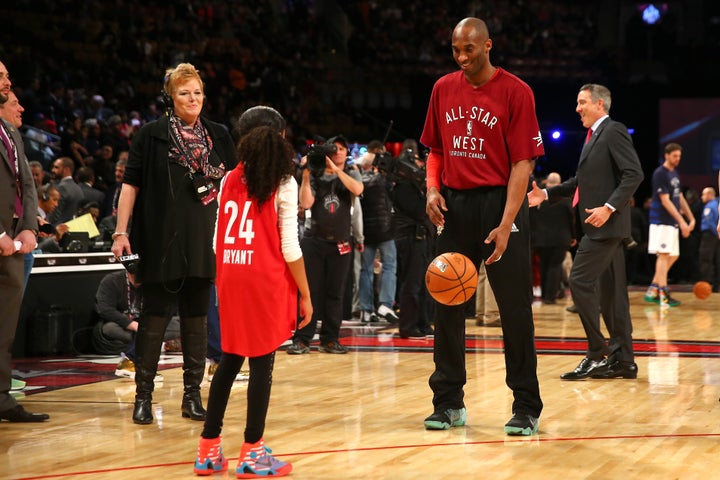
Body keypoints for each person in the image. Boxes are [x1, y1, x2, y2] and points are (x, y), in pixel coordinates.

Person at [421, 18, 543, 436]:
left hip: (499, 204)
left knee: (514, 310)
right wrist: (432, 190)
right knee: (447, 301)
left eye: (468, 49)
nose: (461, 57)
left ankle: (526, 405)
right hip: (455, 206)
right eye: (455, 50)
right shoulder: (442, 88)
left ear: (487, 45)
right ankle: (448, 402)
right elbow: (435, 149)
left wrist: (507, 223)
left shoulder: (516, 92)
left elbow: (523, 163)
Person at [111, 63, 237, 425]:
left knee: (197, 320)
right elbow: (131, 185)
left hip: (206, 241)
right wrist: (121, 232)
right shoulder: (151, 135)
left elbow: (233, 186)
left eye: (197, 92)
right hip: (160, 239)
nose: (193, 98)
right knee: (155, 319)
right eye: (184, 92)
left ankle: (192, 397)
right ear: (171, 97)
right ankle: (143, 397)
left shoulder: (219, 134)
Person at [193, 106, 312, 477]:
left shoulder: (229, 177)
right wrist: (306, 294)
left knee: (229, 359)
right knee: (263, 363)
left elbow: (216, 241)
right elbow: (290, 247)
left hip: (229, 275)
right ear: (277, 137)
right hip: (263, 278)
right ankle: (251, 451)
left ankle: (208, 450)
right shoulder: (283, 181)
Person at [528, 83, 644, 381]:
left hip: (605, 226)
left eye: (582, 102)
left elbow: (634, 173)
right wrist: (547, 194)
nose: (577, 108)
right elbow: (580, 181)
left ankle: (597, 353)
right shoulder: (594, 137)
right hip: (601, 228)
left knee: (579, 281)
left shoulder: (613, 130)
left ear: (599, 105)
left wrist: (609, 207)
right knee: (613, 298)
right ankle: (624, 360)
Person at [0, 59, 49, 422]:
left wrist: (28, 226)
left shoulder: (12, 134)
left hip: (14, 244)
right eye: (1, 76)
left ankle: (2, 399)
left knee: (5, 327)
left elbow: (26, 185)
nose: (8, 81)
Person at [286, 134, 363, 354]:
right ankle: (302, 338)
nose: (338, 152)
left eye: (342, 149)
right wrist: (307, 174)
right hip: (315, 241)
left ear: (347, 153)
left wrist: (336, 170)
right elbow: (306, 202)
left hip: (340, 243)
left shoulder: (350, 174)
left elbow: (358, 190)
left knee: (335, 293)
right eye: (334, 149)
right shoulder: (316, 175)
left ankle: (330, 339)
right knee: (309, 291)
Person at [390, 148, 435, 339]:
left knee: (423, 284)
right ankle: (408, 326)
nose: (419, 167)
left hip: (420, 237)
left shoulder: (412, 186)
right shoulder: (402, 188)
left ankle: (423, 323)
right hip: (409, 238)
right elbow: (420, 211)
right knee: (412, 283)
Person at [644, 143, 694, 307]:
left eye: (679, 156)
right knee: (664, 255)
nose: (677, 159)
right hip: (661, 220)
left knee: (673, 255)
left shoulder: (674, 174)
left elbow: (679, 197)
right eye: (674, 156)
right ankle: (663, 293)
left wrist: (691, 218)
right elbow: (665, 201)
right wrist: (682, 222)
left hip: (671, 222)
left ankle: (653, 288)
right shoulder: (660, 173)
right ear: (666, 155)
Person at [357, 140, 399, 324]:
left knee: (365, 270)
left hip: (366, 231)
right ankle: (386, 304)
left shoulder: (357, 181)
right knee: (390, 266)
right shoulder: (384, 179)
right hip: (385, 230)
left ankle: (366, 310)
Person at [530, 172, 575, 304]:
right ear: (560, 183)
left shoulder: (539, 198)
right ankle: (550, 297)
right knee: (555, 266)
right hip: (560, 238)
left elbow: (532, 217)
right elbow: (571, 219)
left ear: (547, 182)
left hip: (540, 238)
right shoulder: (565, 199)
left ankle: (544, 295)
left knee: (543, 265)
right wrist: (573, 236)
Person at [48, 156, 83, 225]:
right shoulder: (78, 189)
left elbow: (55, 213)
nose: (53, 170)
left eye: (56, 167)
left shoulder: (61, 187)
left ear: (66, 170)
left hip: (56, 230)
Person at [698, 186, 719, 291]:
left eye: (703, 194)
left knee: (705, 259)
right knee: (717, 259)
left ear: (710, 195)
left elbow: (709, 222)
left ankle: (706, 284)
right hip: (716, 235)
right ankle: (717, 285)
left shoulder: (709, 206)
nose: (702, 197)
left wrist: (716, 233)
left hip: (710, 235)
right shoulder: (717, 205)